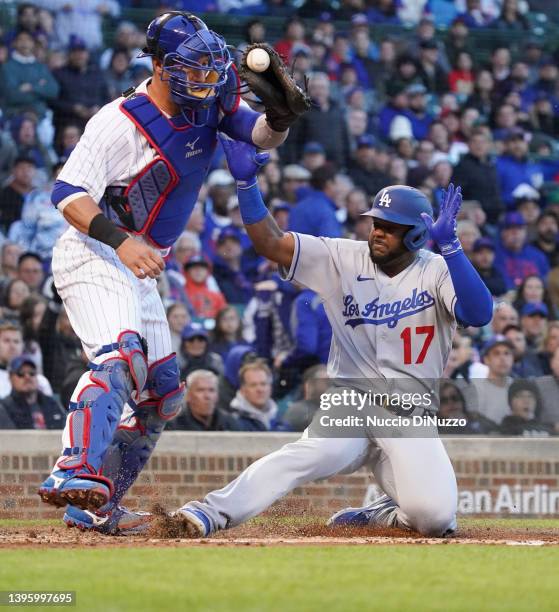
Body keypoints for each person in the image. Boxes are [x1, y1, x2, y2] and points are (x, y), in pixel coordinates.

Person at [39, 11, 303, 536]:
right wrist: (123, 240)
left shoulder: (211, 95)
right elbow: (66, 194)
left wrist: (280, 115)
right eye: (193, 70)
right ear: (159, 66)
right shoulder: (118, 120)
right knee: (120, 357)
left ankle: (92, 509)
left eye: (211, 69)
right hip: (95, 250)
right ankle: (73, 468)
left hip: (141, 263)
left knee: (163, 396)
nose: (207, 80)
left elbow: (257, 134)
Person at [167, 136, 492, 539]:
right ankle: (208, 513)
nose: (378, 232)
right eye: (376, 223)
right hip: (351, 400)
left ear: (415, 237)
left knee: (436, 519)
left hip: (409, 410)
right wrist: (248, 185)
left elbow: (479, 314)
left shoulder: (438, 270)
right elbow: (271, 243)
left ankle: (384, 514)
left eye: (391, 228)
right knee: (303, 456)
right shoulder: (343, 256)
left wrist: (453, 247)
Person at [0, 356, 65, 430]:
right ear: (10, 378)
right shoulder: (4, 407)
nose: (27, 377)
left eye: (32, 373)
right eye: (21, 373)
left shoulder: (51, 403)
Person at [168, 370, 239, 432]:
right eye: (200, 390)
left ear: (217, 395)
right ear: (188, 395)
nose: (207, 396)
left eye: (211, 390)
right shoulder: (173, 426)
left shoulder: (230, 423)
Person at [229, 361, 280, 431]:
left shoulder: (281, 424)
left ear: (270, 388)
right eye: (253, 385)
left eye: (263, 384)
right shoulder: (233, 424)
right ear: (242, 390)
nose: (260, 389)